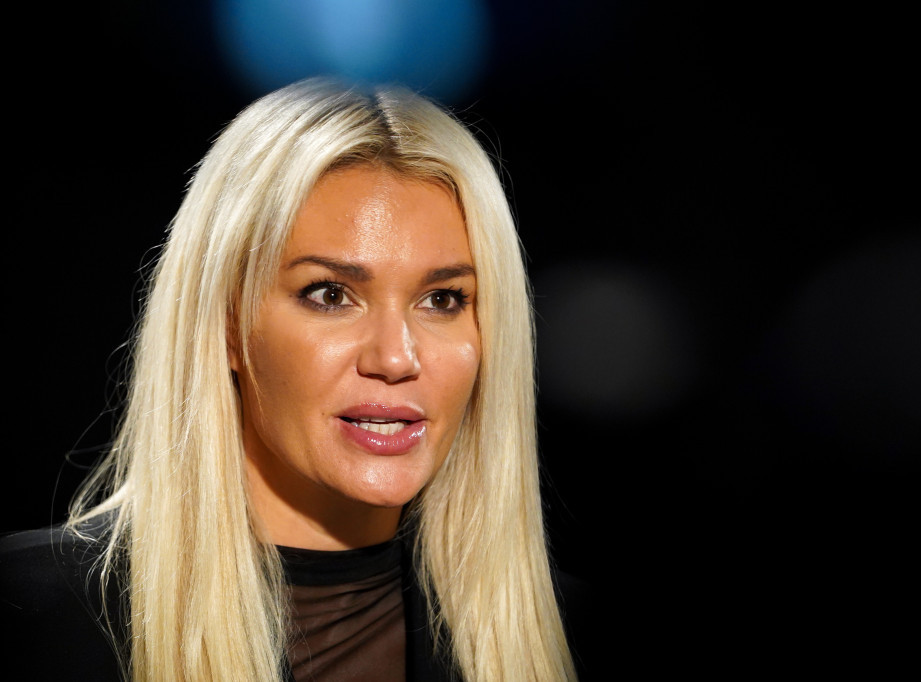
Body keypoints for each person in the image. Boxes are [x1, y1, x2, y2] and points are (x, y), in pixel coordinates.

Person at [0, 77, 590, 681]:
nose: (396, 358)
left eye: (442, 299)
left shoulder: (581, 638)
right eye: (331, 294)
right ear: (227, 320)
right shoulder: (27, 618)